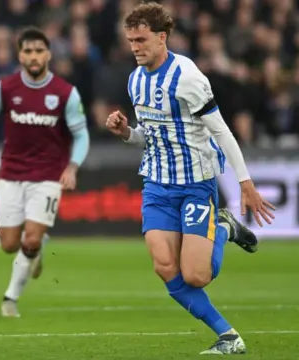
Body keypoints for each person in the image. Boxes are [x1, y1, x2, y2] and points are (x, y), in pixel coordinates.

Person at [105, 3, 275, 355]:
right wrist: (126, 133)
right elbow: (149, 137)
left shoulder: (188, 77)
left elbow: (223, 132)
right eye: (130, 40)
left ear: (162, 37)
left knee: (196, 275)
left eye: (141, 39)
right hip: (156, 183)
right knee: (165, 267)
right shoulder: (135, 79)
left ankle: (224, 226)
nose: (135, 47)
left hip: (195, 183)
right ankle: (228, 335)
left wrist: (245, 184)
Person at [0, 27, 90, 318]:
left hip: (47, 177)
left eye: (39, 51)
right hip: (11, 176)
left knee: (30, 239)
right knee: (8, 245)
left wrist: (72, 167)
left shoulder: (64, 93)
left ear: (48, 54)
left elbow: (81, 135)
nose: (33, 56)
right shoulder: (5, 88)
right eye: (28, 51)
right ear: (20, 55)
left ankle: (11, 298)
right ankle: (36, 249)